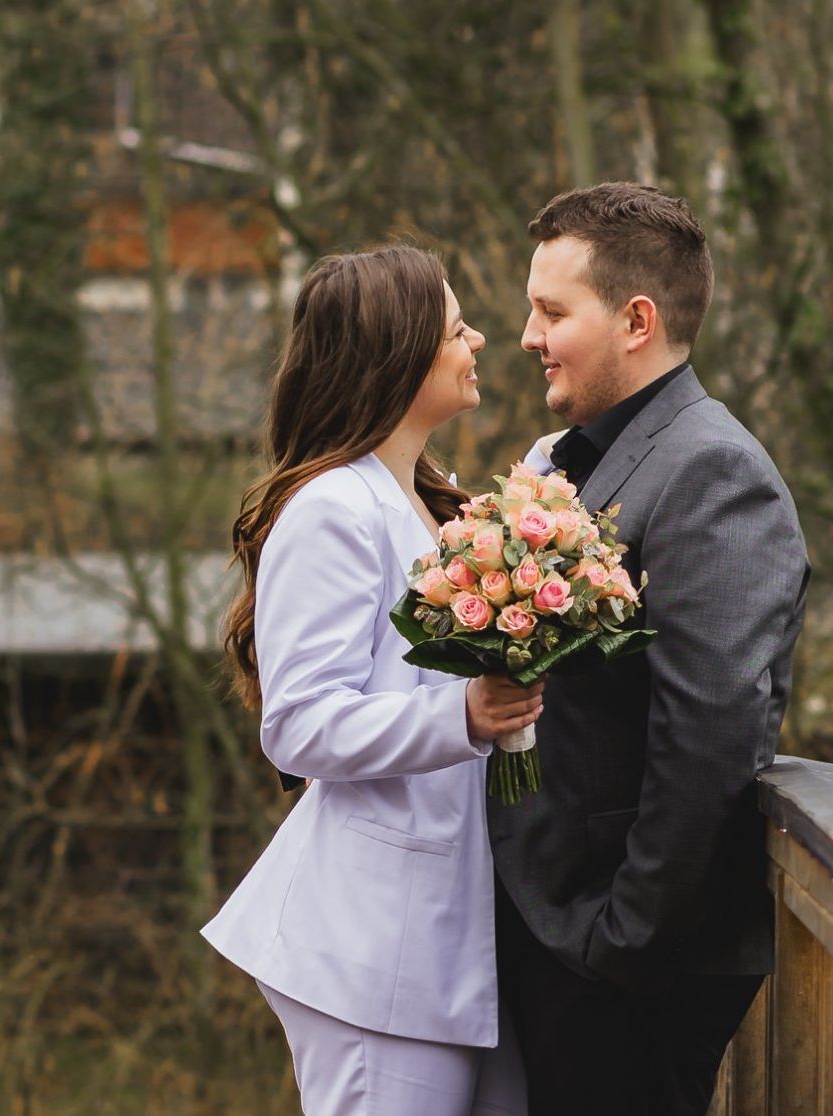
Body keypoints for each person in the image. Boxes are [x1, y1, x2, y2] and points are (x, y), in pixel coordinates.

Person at [488, 183, 810, 1116]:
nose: (527, 335)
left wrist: (621, 940)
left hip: (622, 967)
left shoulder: (712, 470)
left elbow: (711, 729)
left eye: (552, 312)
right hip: (560, 936)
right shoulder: (595, 459)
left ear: (637, 319)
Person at [202, 246, 538, 1116]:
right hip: (373, 953)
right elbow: (301, 724)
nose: (481, 339)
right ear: (400, 354)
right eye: (458, 327)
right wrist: (464, 714)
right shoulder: (330, 510)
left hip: (458, 947)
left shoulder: (440, 502)